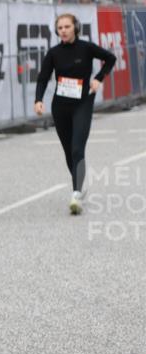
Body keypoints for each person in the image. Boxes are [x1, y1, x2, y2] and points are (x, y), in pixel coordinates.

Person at [34, 14, 117, 214]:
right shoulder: (54, 53)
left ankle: (76, 193)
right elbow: (43, 78)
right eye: (60, 27)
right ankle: (79, 184)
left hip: (82, 103)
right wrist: (38, 100)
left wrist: (98, 78)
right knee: (68, 150)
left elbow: (110, 58)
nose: (63, 30)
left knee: (77, 148)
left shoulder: (86, 48)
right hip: (60, 106)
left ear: (75, 28)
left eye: (67, 26)